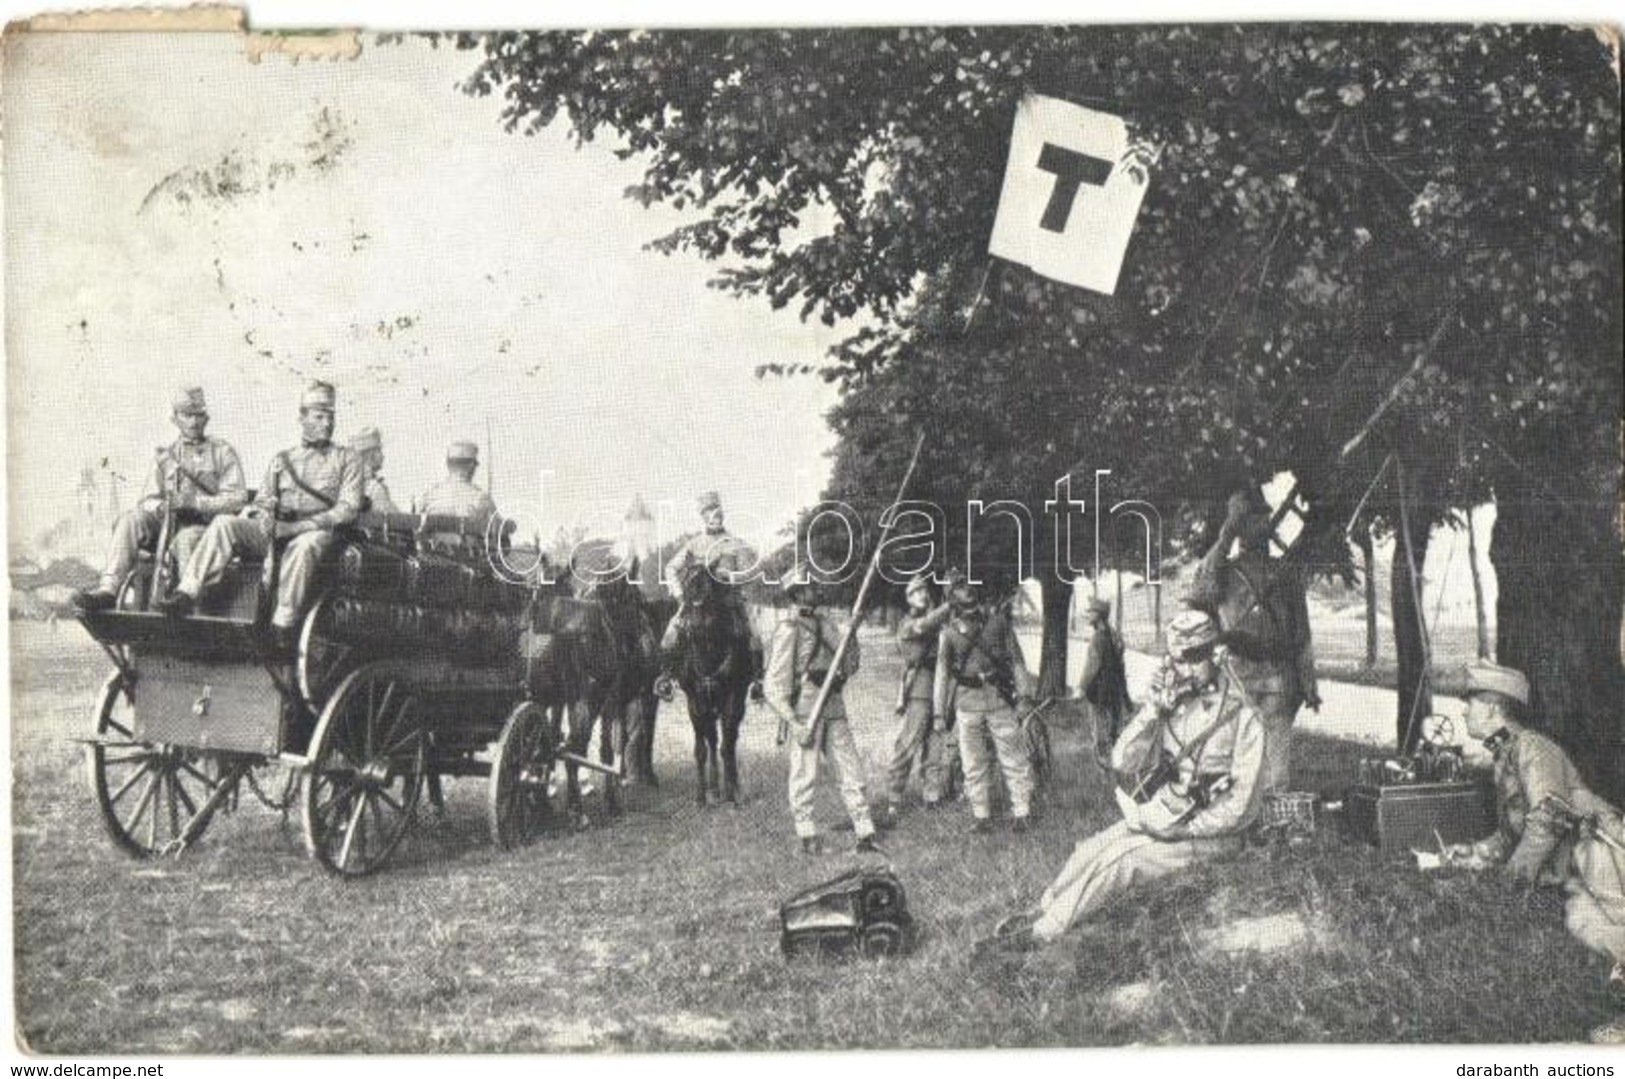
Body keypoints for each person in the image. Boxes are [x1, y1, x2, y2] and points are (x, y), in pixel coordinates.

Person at [976, 609, 1265, 959]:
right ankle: (1044, 909)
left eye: (1193, 660)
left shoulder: (1244, 717)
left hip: (1213, 836)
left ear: (1216, 655)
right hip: (1165, 815)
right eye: (1176, 660)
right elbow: (1122, 760)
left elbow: (1241, 809)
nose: (1184, 669)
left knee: (1122, 862)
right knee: (1091, 848)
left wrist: (1182, 830)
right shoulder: (1176, 704)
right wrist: (1152, 712)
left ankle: (1037, 937)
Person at [1439, 661, 1625, 1039]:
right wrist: (1474, 854)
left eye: (1469, 702)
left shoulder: (1532, 748)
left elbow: (1548, 819)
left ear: (1493, 709)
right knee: (1583, 925)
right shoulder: (1507, 754)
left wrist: (1511, 883)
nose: (1463, 710)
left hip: (1602, 851)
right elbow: (1512, 834)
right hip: (1576, 869)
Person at [156, 381, 363, 649]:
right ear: (302, 417)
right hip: (278, 529)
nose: (327, 423)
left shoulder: (347, 459)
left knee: (304, 546)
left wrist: (298, 527)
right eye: (319, 416)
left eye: (330, 417)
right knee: (225, 524)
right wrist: (264, 516)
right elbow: (263, 499)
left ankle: (283, 624)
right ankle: (188, 592)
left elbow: (347, 509)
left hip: (321, 535)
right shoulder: (282, 460)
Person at [1187, 487, 1319, 794]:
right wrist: (1308, 685)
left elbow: (1199, 589)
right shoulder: (1280, 573)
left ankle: (1255, 821)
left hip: (1243, 679)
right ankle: (1274, 822)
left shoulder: (1227, 573)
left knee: (1242, 759)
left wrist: (1226, 532)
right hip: (1262, 677)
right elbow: (1302, 637)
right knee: (1271, 763)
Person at [72, 386, 246, 610]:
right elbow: (147, 500)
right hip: (167, 525)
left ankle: (187, 602)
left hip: (206, 530)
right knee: (130, 520)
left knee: (187, 538)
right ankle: (108, 590)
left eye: (198, 415)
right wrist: (161, 508)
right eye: (187, 415)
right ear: (175, 418)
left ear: (207, 418)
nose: (193, 422)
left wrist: (196, 503)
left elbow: (238, 499)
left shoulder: (222, 452)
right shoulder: (166, 457)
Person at [762, 565, 879, 855]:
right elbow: (774, 685)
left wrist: (852, 634)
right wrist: (794, 722)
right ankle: (807, 835)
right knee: (805, 774)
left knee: (850, 769)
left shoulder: (828, 624)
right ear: (799, 593)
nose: (817, 590)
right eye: (811, 586)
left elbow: (849, 665)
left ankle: (864, 831)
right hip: (806, 712)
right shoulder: (789, 629)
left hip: (834, 706)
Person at [934, 577, 1038, 834]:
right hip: (967, 703)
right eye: (964, 606)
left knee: (1013, 757)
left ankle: (1022, 812)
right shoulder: (948, 634)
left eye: (972, 603)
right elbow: (942, 674)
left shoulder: (999, 624)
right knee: (973, 763)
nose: (970, 610)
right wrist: (938, 713)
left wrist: (1024, 696)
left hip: (998, 699)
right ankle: (981, 816)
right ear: (955, 608)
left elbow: (1017, 661)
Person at [657, 491, 762, 690]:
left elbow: (751, 571)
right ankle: (666, 676)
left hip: (731, 600)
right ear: (702, 516)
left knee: (753, 633)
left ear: (722, 514)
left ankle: (757, 681)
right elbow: (670, 568)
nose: (714, 516)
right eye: (708, 512)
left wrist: (730, 576)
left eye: (717, 512)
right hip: (696, 602)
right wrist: (679, 594)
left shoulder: (735, 543)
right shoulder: (694, 544)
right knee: (671, 631)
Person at [884, 573, 956, 815]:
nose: (921, 595)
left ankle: (932, 796)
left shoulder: (939, 622)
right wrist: (949, 605)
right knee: (908, 743)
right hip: (919, 690)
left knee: (934, 744)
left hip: (940, 688)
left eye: (923, 590)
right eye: (915, 593)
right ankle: (893, 797)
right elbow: (924, 626)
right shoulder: (908, 623)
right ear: (908, 599)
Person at [1078, 595, 1132, 762]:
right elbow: (1121, 664)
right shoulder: (1114, 635)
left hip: (1100, 691)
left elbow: (1092, 666)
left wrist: (1082, 687)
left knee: (1099, 727)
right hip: (1115, 689)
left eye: (1091, 612)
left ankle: (1103, 762)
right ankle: (1116, 758)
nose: (1088, 615)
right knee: (1114, 727)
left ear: (1099, 615)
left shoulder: (1097, 639)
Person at [420, 441, 497, 527]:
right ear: (471, 465)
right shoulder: (482, 498)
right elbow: (500, 532)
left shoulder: (430, 496)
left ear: (448, 464)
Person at [349, 427, 398, 514]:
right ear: (370, 455)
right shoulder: (374, 488)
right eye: (379, 451)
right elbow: (391, 520)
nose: (383, 456)